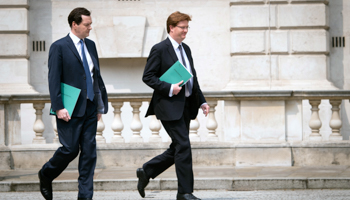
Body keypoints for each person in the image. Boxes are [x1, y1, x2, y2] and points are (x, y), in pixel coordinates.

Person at [137, 11, 210, 200]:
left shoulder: (186, 49)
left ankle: (147, 170)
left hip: (186, 106)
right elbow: (148, 77)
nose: (186, 31)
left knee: (178, 147)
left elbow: (193, 78)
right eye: (182, 27)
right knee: (183, 145)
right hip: (168, 106)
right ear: (171, 27)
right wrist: (169, 88)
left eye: (187, 27)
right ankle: (185, 193)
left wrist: (201, 100)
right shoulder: (159, 49)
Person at [38, 7, 108, 200]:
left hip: (91, 108)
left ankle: (85, 197)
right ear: (74, 24)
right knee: (69, 150)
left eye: (90, 24)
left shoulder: (91, 45)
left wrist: (100, 104)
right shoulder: (59, 47)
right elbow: (53, 79)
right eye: (87, 24)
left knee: (89, 154)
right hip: (69, 108)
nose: (90, 28)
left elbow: (95, 77)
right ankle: (46, 174)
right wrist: (59, 107)